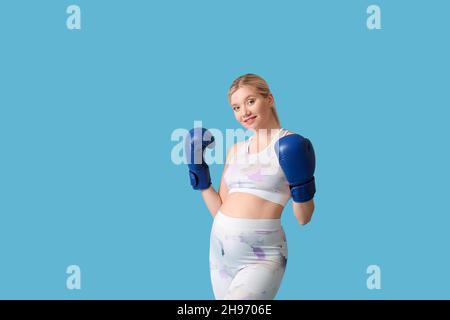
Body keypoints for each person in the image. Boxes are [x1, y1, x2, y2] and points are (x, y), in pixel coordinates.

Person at [185, 73, 316, 300]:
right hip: (220, 253)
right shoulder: (235, 150)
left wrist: (302, 184)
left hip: (262, 257)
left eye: (250, 101)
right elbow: (219, 209)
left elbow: (304, 218)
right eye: (236, 107)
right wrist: (200, 175)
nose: (244, 112)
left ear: (270, 99)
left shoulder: (290, 146)